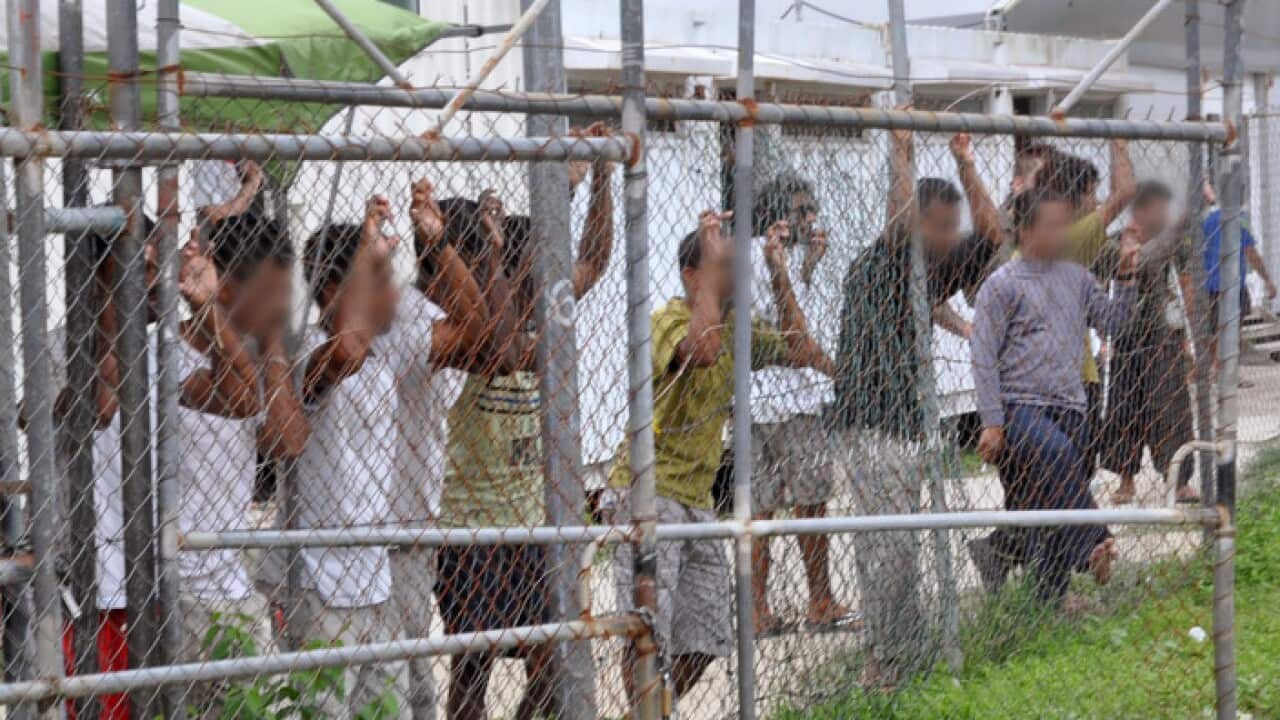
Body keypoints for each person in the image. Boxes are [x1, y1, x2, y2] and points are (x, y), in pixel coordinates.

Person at [611, 208, 831, 708]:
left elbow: (799, 347)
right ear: (694, 277)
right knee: (649, 632)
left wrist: (777, 270)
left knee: (708, 635)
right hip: (647, 493)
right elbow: (702, 350)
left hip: (697, 498)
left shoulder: (737, 327)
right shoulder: (667, 319)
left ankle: (644, 714)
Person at [436, 126, 613, 720]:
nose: (552, 270)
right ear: (515, 266)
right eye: (537, 259)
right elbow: (504, 346)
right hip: (473, 527)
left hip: (534, 525)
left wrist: (602, 175)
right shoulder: (482, 330)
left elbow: (595, 260)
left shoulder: (544, 316)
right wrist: (507, 243)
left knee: (549, 657)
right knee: (472, 664)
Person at [294, 184, 485, 719]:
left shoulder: (387, 350)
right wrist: (365, 253)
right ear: (335, 289)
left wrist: (439, 244)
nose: (393, 293)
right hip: (320, 586)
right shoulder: (308, 351)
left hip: (374, 580)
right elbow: (345, 352)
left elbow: (475, 325)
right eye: (379, 279)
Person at [829, 128, 1001, 688]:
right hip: (872, 422)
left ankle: (898, 654)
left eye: (954, 227)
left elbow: (989, 241)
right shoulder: (889, 257)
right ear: (918, 221)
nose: (952, 237)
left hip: (903, 420)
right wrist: (900, 149)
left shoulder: (923, 269)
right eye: (943, 226)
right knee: (887, 550)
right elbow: (899, 217)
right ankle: (882, 663)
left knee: (895, 547)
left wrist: (965, 162)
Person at [970, 188, 1131, 606]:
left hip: (1071, 404)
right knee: (1059, 458)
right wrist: (991, 420)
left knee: (1048, 497)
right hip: (1019, 407)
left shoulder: (1076, 277)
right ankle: (1096, 542)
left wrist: (1127, 278)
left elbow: (1114, 324)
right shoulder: (1001, 285)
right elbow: (983, 356)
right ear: (1026, 230)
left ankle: (1049, 598)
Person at [390, 184, 492, 720]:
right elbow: (480, 331)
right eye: (476, 262)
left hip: (411, 524)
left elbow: (491, 337)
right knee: (405, 697)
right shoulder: (410, 316)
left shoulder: (427, 314)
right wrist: (443, 246)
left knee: (415, 688)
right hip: (385, 529)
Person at [746, 172, 853, 635]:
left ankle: (756, 611)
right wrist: (841, 374)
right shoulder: (766, 257)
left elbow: (784, 310)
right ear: (779, 214)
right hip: (791, 400)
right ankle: (820, 601)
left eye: (812, 211)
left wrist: (808, 266)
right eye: (802, 210)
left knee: (758, 510)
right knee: (811, 505)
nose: (811, 219)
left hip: (754, 401)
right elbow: (797, 337)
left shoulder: (761, 254)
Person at [1093, 181, 1199, 504]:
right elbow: (1096, 285)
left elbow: (1185, 285)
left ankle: (1178, 480)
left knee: (1171, 408)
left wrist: (1190, 338)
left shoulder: (1171, 241)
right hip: (1124, 337)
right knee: (1123, 411)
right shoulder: (1115, 242)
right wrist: (1101, 334)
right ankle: (1126, 481)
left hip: (1160, 335)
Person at [1201, 182, 1277, 344]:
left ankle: (1218, 361)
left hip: (1211, 286)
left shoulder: (1207, 221)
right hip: (1233, 285)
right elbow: (1252, 254)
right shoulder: (1240, 221)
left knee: (1215, 332)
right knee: (1233, 328)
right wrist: (1268, 280)